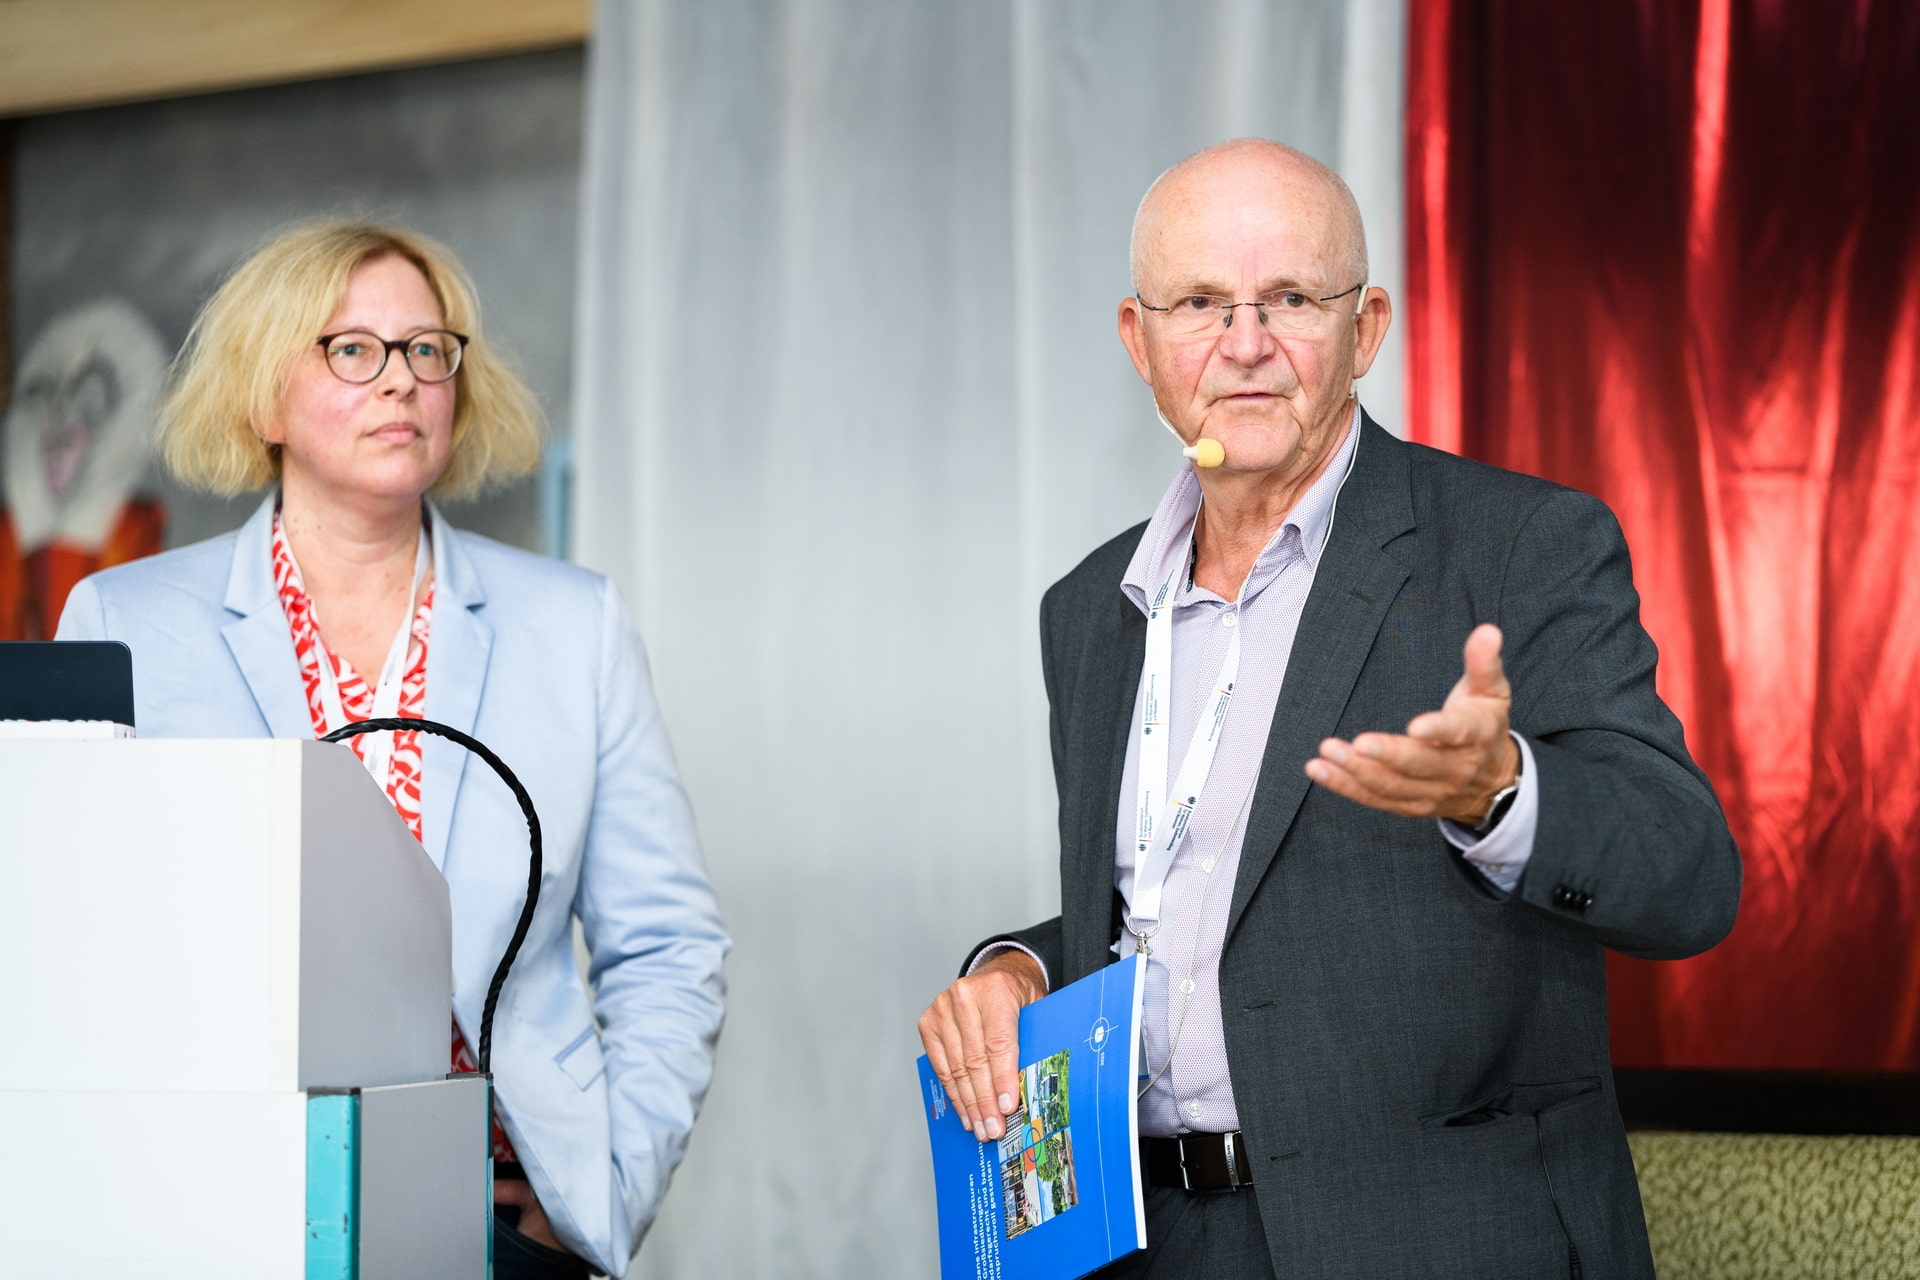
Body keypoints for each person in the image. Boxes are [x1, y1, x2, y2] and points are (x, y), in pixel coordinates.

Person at [917, 140, 1740, 1279]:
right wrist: (1022, 965)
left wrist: (1504, 793)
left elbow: (1691, 875)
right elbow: (1191, 916)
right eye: (1200, 303)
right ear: (1139, 341)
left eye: (1292, 298)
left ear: (1366, 329)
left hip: (1434, 1242)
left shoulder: (1521, 545)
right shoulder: (1094, 608)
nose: (1245, 342)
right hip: (1156, 1242)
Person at [57, 221, 728, 1280]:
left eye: (427, 349)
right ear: (265, 398)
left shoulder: (574, 625)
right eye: (352, 349)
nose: (402, 379)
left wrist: (597, 1195)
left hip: (500, 1216)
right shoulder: (125, 621)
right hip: (215, 1203)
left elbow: (667, 944)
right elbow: (77, 953)